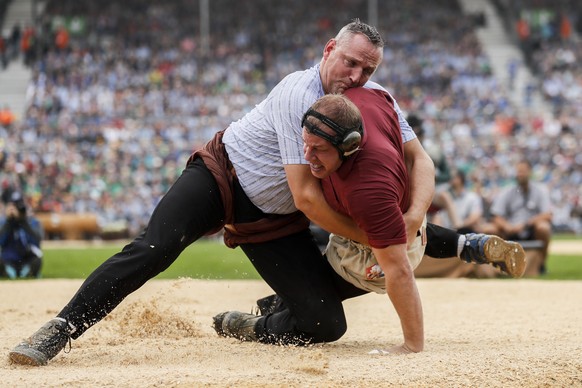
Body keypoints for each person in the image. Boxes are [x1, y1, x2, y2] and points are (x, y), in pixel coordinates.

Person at [8, 19, 516, 366]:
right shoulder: (301, 94)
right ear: (329, 51)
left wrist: (410, 218)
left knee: (324, 322)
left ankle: (253, 322)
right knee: (155, 248)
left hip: (270, 216)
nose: (357, 75)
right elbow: (309, 199)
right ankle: (60, 328)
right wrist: (378, 238)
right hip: (224, 175)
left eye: (368, 69)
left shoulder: (372, 100)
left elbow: (418, 159)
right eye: (351, 63)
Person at [213, 89, 525, 353]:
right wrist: (415, 216)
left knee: (325, 298)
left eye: (318, 149)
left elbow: (399, 270)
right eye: (304, 144)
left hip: (378, 239)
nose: (306, 156)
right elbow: (421, 159)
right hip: (397, 219)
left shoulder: (366, 190)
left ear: (348, 145)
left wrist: (412, 345)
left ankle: (255, 323)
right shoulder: (368, 95)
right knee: (322, 281)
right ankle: (469, 245)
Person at [487, 159, 552, 274]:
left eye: (523, 171)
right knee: (491, 229)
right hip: (510, 231)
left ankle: (541, 264)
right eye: (518, 171)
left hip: (531, 230)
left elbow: (548, 214)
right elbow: (495, 216)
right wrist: (507, 226)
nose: (520, 174)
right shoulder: (507, 191)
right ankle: (497, 266)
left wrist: (526, 224)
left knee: (544, 227)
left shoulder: (540, 190)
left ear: (530, 172)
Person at [0, 189, 43, 279]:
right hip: (8, 259)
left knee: (38, 260)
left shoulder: (32, 222)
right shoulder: (3, 222)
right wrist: (9, 221)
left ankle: (25, 272)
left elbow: (37, 240)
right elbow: (1, 241)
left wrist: (23, 221)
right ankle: (9, 272)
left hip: (26, 259)